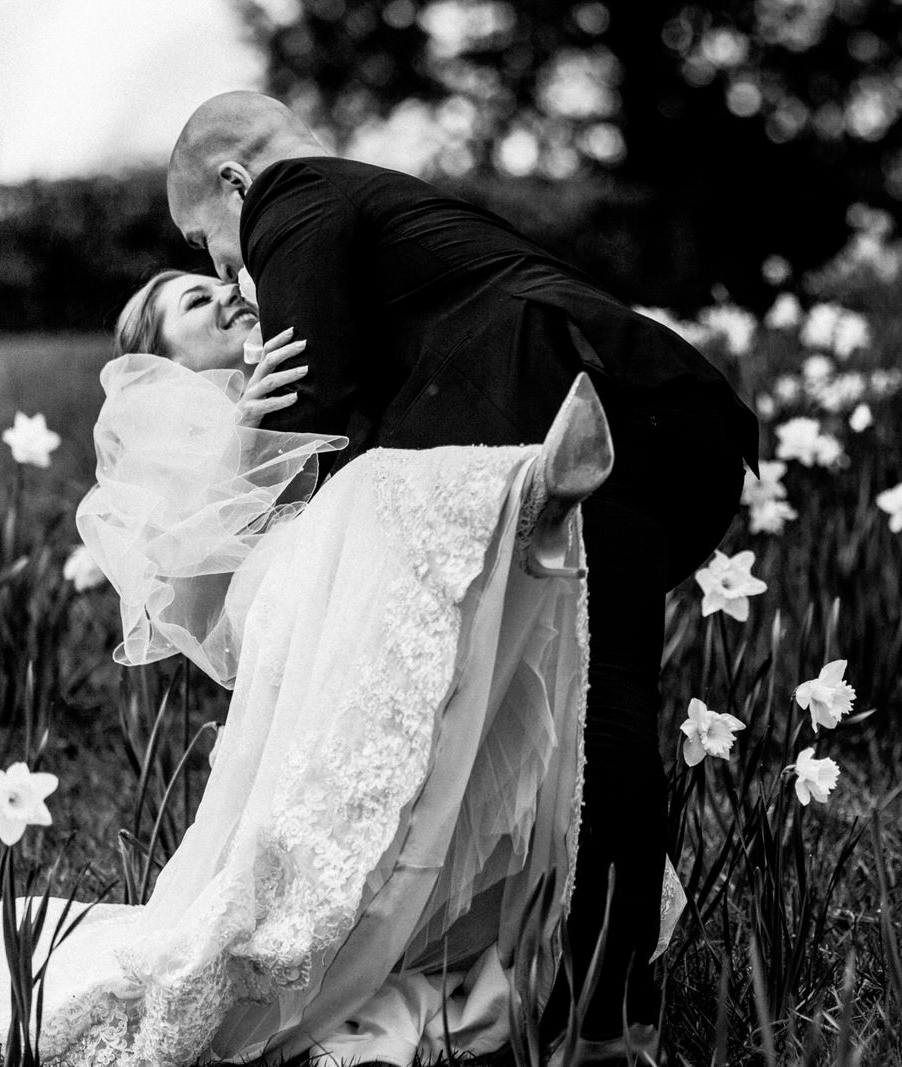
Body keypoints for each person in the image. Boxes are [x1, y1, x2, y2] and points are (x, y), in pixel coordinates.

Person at [166, 90, 759, 1058]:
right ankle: (605, 1008)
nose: (235, 276)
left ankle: (597, 1014)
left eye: (218, 248)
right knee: (603, 711)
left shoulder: (292, 194)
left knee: (595, 711)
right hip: (662, 416)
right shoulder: (399, 213)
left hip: (567, 399)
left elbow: (314, 404)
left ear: (238, 183)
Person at [0, 271, 678, 1066]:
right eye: (192, 301)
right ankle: (528, 490)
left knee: (449, 621)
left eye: (219, 281)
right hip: (284, 600)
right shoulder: (169, 428)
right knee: (368, 491)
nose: (225, 294)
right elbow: (185, 594)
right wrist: (237, 440)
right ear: (161, 355)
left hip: (344, 595)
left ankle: (532, 514)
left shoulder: (306, 382)